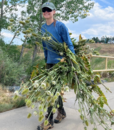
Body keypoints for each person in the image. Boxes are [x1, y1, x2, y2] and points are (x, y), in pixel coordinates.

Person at [37, 2, 75, 130]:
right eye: (44, 10)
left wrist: (72, 60)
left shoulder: (60, 26)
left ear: (54, 12)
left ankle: (49, 120)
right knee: (55, 89)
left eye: (49, 10)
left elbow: (69, 44)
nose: (46, 12)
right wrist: (46, 60)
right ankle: (62, 112)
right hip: (50, 63)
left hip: (61, 63)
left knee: (51, 90)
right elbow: (45, 46)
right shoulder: (43, 28)